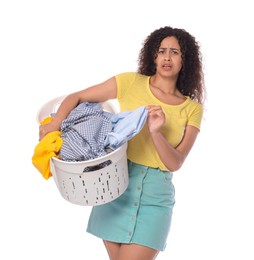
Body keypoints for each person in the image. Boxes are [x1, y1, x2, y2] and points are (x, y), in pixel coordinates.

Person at [39, 26, 206, 260]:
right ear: (153, 56)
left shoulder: (192, 109)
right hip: (115, 186)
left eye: (175, 52)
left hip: (155, 199)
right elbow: (77, 97)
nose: (167, 57)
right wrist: (55, 124)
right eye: (162, 51)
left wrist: (156, 132)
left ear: (184, 60)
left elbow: (175, 163)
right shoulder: (130, 82)